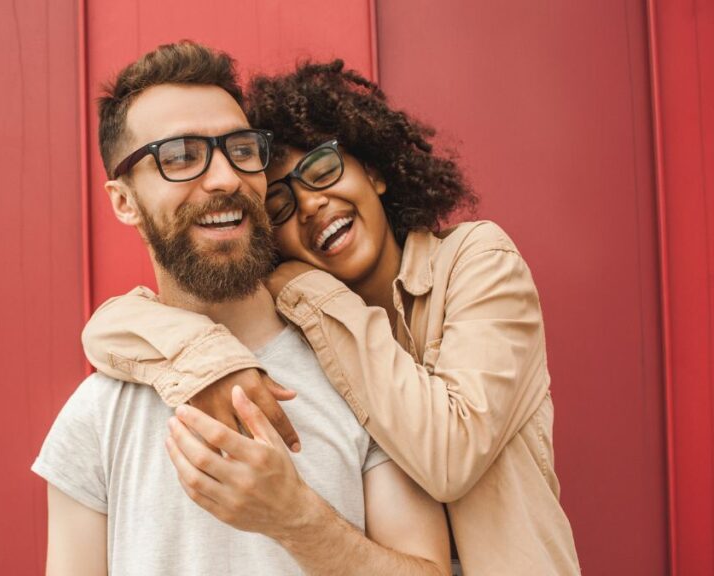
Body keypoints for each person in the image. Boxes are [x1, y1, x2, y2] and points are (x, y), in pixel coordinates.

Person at [82, 60, 582, 575]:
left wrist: (304, 284)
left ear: (376, 171)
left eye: (323, 171)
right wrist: (208, 358)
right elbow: (106, 328)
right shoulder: (293, 329)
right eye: (279, 205)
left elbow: (450, 457)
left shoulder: (475, 261)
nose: (313, 204)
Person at [32, 42, 451, 576]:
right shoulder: (97, 415)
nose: (226, 178)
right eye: (180, 156)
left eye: (241, 150)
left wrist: (296, 519)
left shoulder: (358, 366)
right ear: (123, 200)